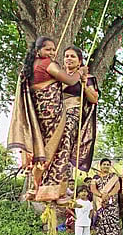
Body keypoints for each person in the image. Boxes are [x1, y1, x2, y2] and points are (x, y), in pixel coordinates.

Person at [8, 36, 88, 203]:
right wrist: (81, 72)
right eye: (48, 49)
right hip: (53, 113)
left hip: (39, 116)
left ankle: (35, 187)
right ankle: (53, 191)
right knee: (60, 149)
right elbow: (71, 80)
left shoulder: (29, 67)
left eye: (53, 49)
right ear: (38, 51)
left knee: (43, 151)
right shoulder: (47, 64)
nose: (52, 52)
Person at [63, 45, 98, 175]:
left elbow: (94, 99)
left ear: (79, 61)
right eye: (66, 56)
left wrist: (83, 83)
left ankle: (62, 174)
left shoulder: (87, 77)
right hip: (55, 113)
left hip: (73, 114)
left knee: (65, 138)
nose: (69, 59)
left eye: (72, 56)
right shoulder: (58, 76)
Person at [90, 158, 122, 235]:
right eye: (104, 164)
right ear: (100, 166)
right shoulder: (96, 177)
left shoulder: (114, 176)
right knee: (102, 222)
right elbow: (93, 188)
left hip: (112, 203)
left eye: (108, 164)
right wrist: (101, 195)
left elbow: (117, 188)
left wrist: (108, 195)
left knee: (113, 222)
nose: (106, 166)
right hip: (100, 202)